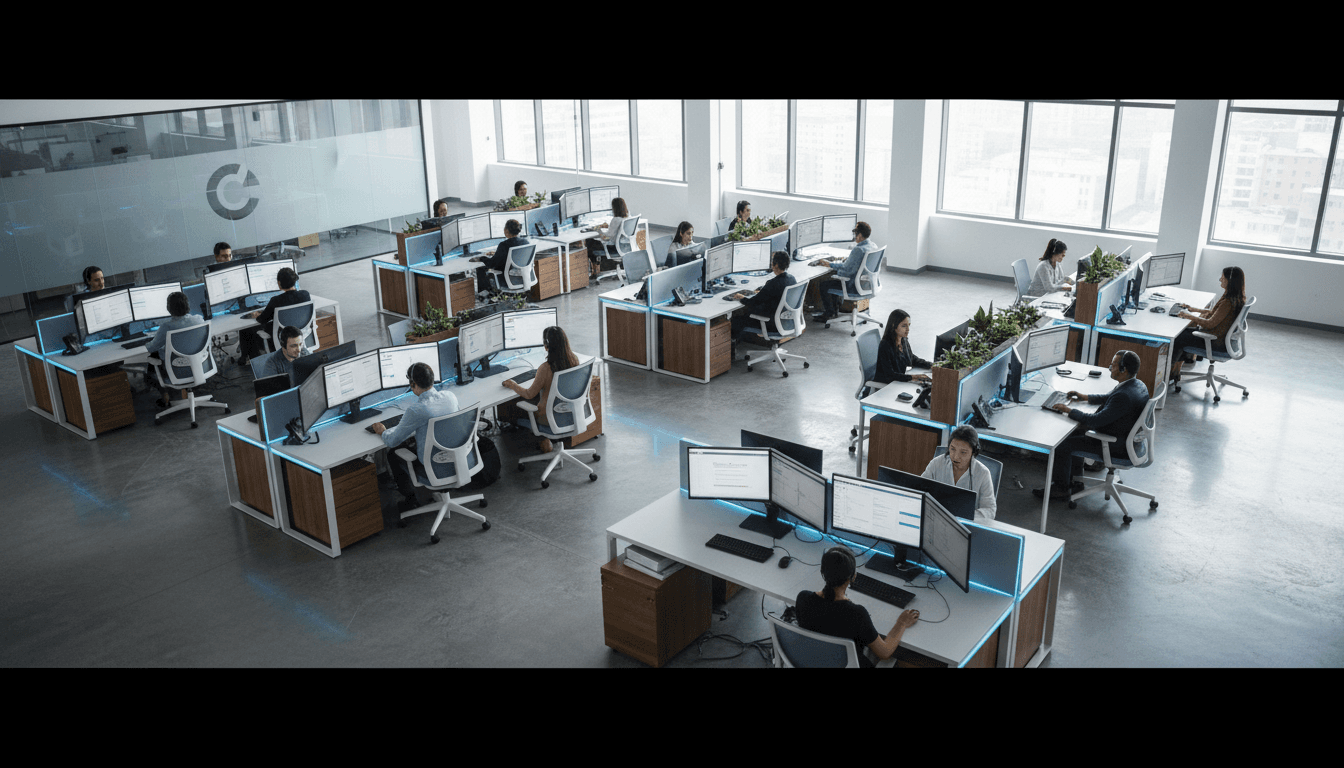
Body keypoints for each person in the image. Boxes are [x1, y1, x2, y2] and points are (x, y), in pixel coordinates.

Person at [1034, 349, 1149, 500]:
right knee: (1075, 433)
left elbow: (1095, 421)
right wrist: (1085, 397)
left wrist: (1069, 410)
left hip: (1115, 445)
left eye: (1113, 365)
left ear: (1123, 369)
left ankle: (1061, 489)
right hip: (1126, 438)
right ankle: (1075, 482)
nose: (1110, 368)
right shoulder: (1136, 385)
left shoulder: (1123, 396)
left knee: (1062, 444)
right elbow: (1109, 398)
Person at [794, 546, 920, 667]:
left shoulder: (803, 598)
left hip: (814, 661)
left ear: (822, 572)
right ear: (853, 577)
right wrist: (902, 623)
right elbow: (885, 652)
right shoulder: (856, 614)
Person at [372, 362, 460, 513]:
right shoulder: (450, 397)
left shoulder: (417, 410)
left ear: (413, 384)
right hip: (457, 457)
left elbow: (392, 441)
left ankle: (411, 499)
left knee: (394, 453)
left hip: (433, 464)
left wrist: (383, 431)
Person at [502, 326, 580, 454]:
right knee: (539, 397)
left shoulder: (545, 368)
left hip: (549, 419)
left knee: (513, 406)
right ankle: (546, 440)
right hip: (570, 413)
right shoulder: (574, 360)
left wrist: (513, 384)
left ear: (546, 346)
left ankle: (543, 439)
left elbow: (529, 394)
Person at [1169, 266, 1247, 384]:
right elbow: (1214, 314)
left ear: (1229, 281)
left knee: (1179, 337)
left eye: (1223, 277)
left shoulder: (1227, 302)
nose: (1220, 279)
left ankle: (1169, 372)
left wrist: (1188, 316)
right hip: (1224, 340)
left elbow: (1210, 324)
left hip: (1216, 343)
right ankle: (1176, 371)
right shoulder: (1235, 297)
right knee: (1186, 333)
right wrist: (1192, 309)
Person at [922, 425, 996, 521]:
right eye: (952, 449)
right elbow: (920, 491)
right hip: (936, 519)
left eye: (963, 452)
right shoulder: (937, 463)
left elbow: (990, 510)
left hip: (965, 525)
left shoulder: (983, 474)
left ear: (973, 452)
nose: (956, 457)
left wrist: (965, 516)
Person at [238, 267, 310, 365]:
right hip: (300, 329)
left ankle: (249, 359)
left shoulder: (276, 300)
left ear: (279, 283)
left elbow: (262, 320)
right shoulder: (305, 294)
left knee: (246, 329)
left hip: (281, 333)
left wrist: (258, 314)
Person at [145, 291, 204, 405]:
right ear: (188, 305)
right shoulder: (199, 320)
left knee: (151, 363)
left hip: (176, 371)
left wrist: (146, 343)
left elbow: (151, 348)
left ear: (169, 309)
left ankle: (164, 395)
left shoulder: (167, 326)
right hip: (198, 366)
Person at [812, 221, 878, 323]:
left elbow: (846, 270)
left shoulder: (858, 250)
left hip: (853, 287)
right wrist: (848, 261)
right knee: (833, 281)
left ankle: (829, 313)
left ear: (859, 235)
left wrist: (829, 264)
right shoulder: (873, 246)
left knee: (825, 284)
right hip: (866, 284)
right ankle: (835, 310)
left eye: (855, 233)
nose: (854, 236)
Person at [731, 251, 796, 351]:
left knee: (736, 320)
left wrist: (741, 297)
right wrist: (763, 291)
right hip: (787, 321)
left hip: (771, 324)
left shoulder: (773, 284)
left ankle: (731, 351)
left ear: (776, 265)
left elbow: (752, 303)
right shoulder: (792, 279)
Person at [875, 309, 932, 385]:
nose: (908, 329)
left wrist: (931, 365)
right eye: (904, 326)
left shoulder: (903, 340)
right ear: (893, 325)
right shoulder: (885, 345)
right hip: (887, 385)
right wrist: (913, 377)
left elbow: (911, 358)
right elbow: (890, 375)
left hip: (898, 382)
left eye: (909, 325)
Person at [470, 218, 527, 291]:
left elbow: (492, 264)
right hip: (521, 276)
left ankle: (486, 297)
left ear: (506, 230)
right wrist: (498, 252)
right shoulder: (525, 242)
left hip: (507, 278)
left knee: (481, 269)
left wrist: (482, 258)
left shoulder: (504, 245)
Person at [585, 197, 630, 280]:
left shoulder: (615, 220)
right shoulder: (627, 218)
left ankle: (594, 272)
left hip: (612, 249)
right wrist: (607, 227)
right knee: (593, 242)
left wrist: (598, 230)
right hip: (624, 248)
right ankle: (596, 270)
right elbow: (616, 231)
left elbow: (605, 238)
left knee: (589, 242)